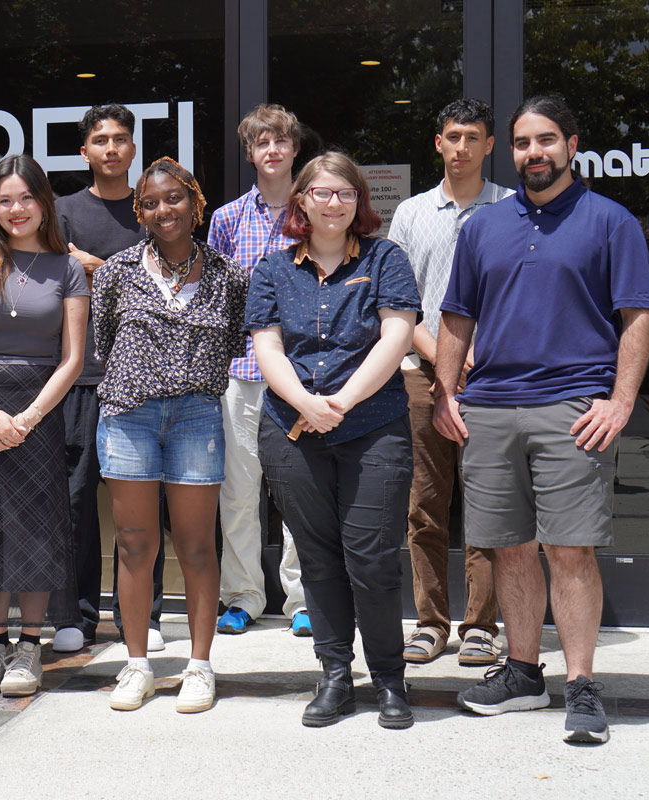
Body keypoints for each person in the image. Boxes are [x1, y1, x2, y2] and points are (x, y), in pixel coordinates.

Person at [437, 96, 649, 744]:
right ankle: (524, 672)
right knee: (509, 548)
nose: (535, 152)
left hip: (572, 408)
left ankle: (582, 686)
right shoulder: (482, 228)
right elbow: (456, 315)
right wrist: (447, 392)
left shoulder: (610, 222)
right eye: (524, 143)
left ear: (572, 143)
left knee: (569, 550)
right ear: (513, 152)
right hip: (492, 408)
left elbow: (637, 316)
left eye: (547, 140)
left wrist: (620, 402)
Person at [248, 152, 421, 729]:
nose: (334, 203)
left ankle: (390, 681)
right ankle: (335, 678)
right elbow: (267, 348)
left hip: (373, 426)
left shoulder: (386, 257)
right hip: (292, 430)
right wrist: (304, 403)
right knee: (318, 557)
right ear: (301, 201)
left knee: (371, 557)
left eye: (346, 193)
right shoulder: (273, 269)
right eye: (322, 193)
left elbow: (396, 336)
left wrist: (342, 404)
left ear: (359, 203)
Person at [92, 157, 248, 714]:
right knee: (135, 544)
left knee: (197, 545)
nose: (164, 210)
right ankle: (137, 666)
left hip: (196, 417)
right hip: (128, 415)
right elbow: (103, 343)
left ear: (195, 202)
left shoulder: (229, 275)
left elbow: (233, 344)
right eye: (151, 202)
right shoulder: (116, 271)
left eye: (175, 198)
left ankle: (199, 668)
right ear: (139, 211)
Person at [0, 154, 88, 698]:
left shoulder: (67, 267)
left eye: (26, 198)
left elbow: (71, 358)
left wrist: (26, 418)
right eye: (4, 200)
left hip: (39, 408)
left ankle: (32, 643)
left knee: (35, 519)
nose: (15, 209)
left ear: (43, 202)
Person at [389, 99, 511, 667]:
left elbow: (518, 297)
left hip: (492, 379)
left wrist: (472, 360)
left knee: (488, 504)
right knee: (426, 506)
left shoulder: (513, 209)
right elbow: (398, 304)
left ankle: (482, 625)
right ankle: (431, 622)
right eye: (452, 136)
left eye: (474, 137)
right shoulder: (412, 214)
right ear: (438, 143)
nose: (461, 146)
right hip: (422, 378)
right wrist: (443, 362)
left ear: (490, 146)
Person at [51, 103, 164, 655]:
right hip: (79, 375)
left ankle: (144, 613)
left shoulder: (154, 210)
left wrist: (99, 268)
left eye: (122, 138)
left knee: (142, 501)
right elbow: (56, 279)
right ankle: (77, 614)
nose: (112, 148)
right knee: (74, 496)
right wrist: (115, 269)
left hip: (143, 376)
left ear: (133, 149)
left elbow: (164, 276)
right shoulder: (63, 210)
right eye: (101, 140)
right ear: (85, 152)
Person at [207, 103, 310, 638]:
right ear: (250, 153)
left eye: (280, 141)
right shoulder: (226, 219)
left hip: (302, 374)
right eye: (261, 143)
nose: (272, 151)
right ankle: (243, 595)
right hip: (240, 374)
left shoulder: (316, 210)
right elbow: (216, 300)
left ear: (295, 149)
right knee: (240, 491)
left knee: (297, 489)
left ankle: (302, 599)